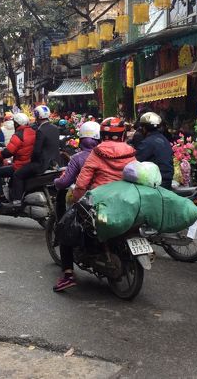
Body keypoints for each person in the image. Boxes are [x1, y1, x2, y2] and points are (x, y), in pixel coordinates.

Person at [55, 117, 136, 292]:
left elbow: (82, 184)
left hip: (99, 200)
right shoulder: (131, 152)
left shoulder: (94, 154)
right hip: (124, 198)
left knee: (65, 229)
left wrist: (77, 200)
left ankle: (68, 274)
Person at [52, 121, 100, 292]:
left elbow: (65, 181)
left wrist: (56, 181)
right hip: (110, 197)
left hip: (87, 200)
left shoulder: (79, 158)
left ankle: (68, 275)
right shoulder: (106, 155)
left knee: (65, 229)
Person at [10, 105, 60, 208]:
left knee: (17, 174)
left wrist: (30, 161)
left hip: (41, 164)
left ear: (37, 116)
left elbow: (37, 151)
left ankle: (17, 201)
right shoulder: (55, 128)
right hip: (55, 163)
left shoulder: (40, 131)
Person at [0, 113, 35, 205]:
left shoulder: (18, 135)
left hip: (20, 165)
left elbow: (8, 152)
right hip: (29, 164)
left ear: (16, 124)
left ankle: (1, 198)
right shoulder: (33, 132)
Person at [134, 112, 174, 190]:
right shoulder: (163, 139)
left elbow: (136, 161)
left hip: (157, 183)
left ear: (144, 128)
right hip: (167, 180)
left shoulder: (148, 143)